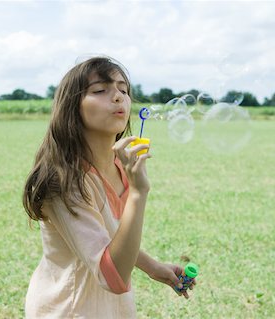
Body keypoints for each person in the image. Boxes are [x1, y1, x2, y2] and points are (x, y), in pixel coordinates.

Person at [22, 56, 195, 318]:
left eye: (124, 90)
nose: (118, 97)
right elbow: (112, 276)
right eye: (100, 90)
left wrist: (152, 267)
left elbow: (110, 237)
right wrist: (138, 193)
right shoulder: (64, 181)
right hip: (69, 309)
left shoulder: (120, 165)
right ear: (72, 107)